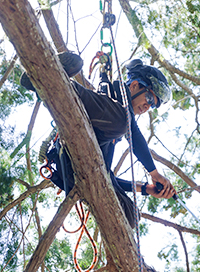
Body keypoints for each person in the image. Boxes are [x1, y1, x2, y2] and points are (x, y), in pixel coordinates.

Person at [21, 52, 177, 227]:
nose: (148, 106)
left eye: (153, 105)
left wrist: (144, 189)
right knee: (122, 122)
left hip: (81, 171)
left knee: (130, 215)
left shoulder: (118, 125)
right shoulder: (119, 96)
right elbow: (133, 132)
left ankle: (54, 80)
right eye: (149, 98)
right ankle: (53, 78)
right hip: (73, 142)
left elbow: (108, 178)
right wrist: (154, 173)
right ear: (134, 85)